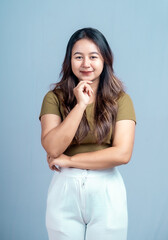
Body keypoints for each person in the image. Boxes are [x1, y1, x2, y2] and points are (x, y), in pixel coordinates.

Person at [39, 27, 136, 240]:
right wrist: (80, 105)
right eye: (78, 57)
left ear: (105, 60)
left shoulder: (121, 100)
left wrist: (71, 159)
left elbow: (122, 154)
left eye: (93, 56)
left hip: (107, 188)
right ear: (69, 60)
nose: (86, 64)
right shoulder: (54, 98)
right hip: (64, 189)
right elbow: (53, 147)